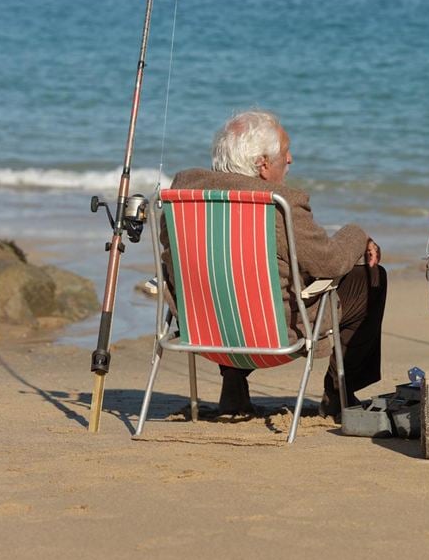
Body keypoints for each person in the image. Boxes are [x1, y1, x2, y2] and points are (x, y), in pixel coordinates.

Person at [162, 109, 386, 419]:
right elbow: (331, 262)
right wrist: (358, 234)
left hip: (203, 329)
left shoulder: (184, 194)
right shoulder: (279, 204)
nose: (290, 158)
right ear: (263, 164)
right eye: (285, 150)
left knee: (222, 275)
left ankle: (234, 390)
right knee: (370, 280)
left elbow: (171, 258)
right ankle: (339, 394)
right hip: (272, 334)